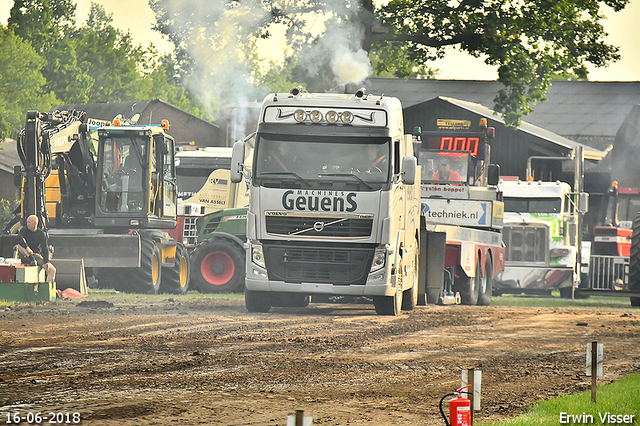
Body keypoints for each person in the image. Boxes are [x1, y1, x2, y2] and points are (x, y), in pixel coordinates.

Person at [17, 215, 56, 283]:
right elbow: (19, 238)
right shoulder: (24, 230)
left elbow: (45, 248)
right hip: (26, 254)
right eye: (27, 222)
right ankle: (31, 258)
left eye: (29, 222)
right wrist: (27, 247)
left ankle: (47, 287)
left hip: (36, 255)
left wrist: (47, 262)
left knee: (52, 270)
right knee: (20, 245)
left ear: (35, 224)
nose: (27, 224)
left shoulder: (41, 234)